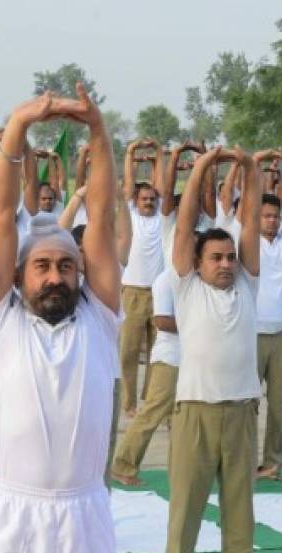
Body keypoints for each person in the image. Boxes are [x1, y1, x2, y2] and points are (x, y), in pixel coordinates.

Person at [0, 85, 121, 553]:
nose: (55, 276)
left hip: (85, 516)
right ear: (18, 276)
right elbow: (2, 215)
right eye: (42, 266)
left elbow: (102, 215)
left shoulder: (99, 319)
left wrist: (99, 130)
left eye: (65, 265)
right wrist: (17, 126)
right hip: (13, 518)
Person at [163, 144, 260, 553]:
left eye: (229, 257)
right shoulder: (186, 287)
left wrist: (247, 167)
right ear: (197, 263)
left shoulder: (247, 285)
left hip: (242, 413)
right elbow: (184, 226)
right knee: (186, 515)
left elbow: (251, 220)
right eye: (215, 257)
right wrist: (203, 165)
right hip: (195, 412)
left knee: (240, 518)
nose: (225, 264)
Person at [253, 151, 282, 480]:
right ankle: (242, 459)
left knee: (278, 405)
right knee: (246, 403)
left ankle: (273, 462)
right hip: (251, 334)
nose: (271, 220)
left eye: (274, 216)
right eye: (265, 215)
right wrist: (255, 164)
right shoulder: (246, 240)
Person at [111, 267, 179, 486]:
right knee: (151, 413)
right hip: (169, 359)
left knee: (182, 418)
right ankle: (123, 465)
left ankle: (181, 469)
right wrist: (196, 325)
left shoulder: (197, 281)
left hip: (192, 360)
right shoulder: (165, 280)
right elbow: (161, 321)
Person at [118, 138, 166, 417]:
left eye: (152, 199)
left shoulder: (161, 217)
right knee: (128, 352)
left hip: (159, 293)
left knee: (157, 353)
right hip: (133, 292)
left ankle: (150, 401)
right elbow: (127, 184)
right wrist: (131, 151)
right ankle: (129, 403)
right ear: (136, 200)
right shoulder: (130, 215)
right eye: (144, 199)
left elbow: (161, 185)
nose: (148, 202)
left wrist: (159, 153)